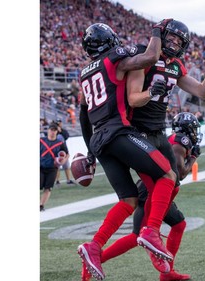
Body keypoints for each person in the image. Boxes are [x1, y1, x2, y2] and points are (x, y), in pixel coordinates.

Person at [124, 18, 205, 272]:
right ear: (160, 36)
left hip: (158, 131)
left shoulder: (175, 66)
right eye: (169, 37)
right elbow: (133, 98)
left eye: (178, 41)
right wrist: (151, 92)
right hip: (138, 131)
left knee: (172, 180)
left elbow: (203, 92)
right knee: (161, 181)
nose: (173, 43)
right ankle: (150, 232)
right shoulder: (145, 58)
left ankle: (151, 236)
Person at [77, 20, 178, 281]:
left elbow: (83, 116)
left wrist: (90, 152)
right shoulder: (115, 58)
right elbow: (150, 56)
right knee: (167, 174)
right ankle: (152, 231)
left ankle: (94, 246)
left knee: (128, 200)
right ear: (110, 41)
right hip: (118, 132)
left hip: (99, 140)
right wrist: (157, 30)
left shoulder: (85, 73)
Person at [81, 112, 202, 281]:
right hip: (153, 191)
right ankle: (96, 258)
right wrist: (194, 157)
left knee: (174, 226)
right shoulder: (180, 140)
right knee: (141, 235)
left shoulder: (173, 139)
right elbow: (179, 173)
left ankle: (167, 272)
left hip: (152, 189)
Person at [40, 123, 69, 211]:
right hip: (40, 167)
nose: (52, 132)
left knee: (48, 188)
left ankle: (41, 205)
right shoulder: (41, 141)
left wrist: (64, 160)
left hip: (53, 168)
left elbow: (67, 154)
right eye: (51, 130)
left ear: (57, 132)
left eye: (54, 130)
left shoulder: (60, 143)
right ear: (48, 130)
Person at [54, 119, 75, 185]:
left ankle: (68, 180)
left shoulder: (63, 131)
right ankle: (57, 181)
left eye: (59, 123)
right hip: (56, 150)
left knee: (66, 166)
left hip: (63, 150)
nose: (59, 124)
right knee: (57, 167)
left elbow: (67, 136)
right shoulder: (54, 131)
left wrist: (61, 131)